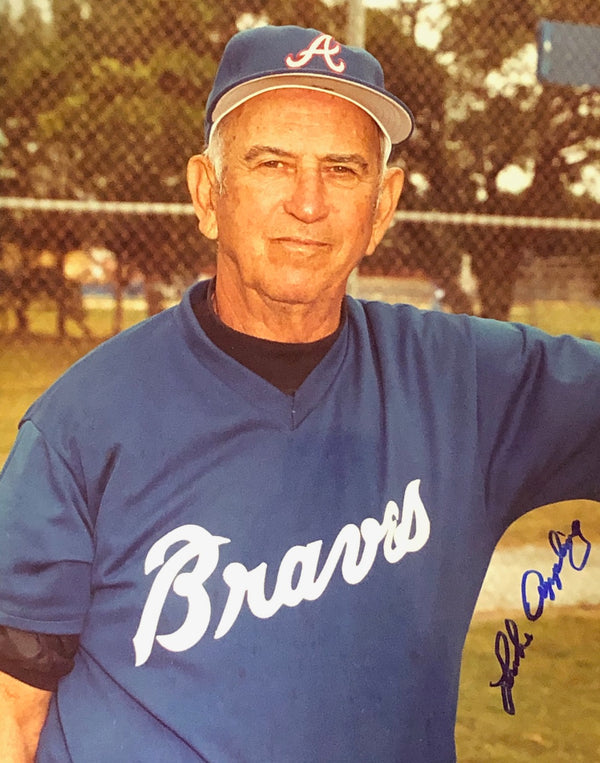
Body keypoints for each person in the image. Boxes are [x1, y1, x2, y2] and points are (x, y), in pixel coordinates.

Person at [0, 23, 598, 763]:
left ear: (382, 206)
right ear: (207, 193)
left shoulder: (469, 385)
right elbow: (11, 711)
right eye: (272, 162)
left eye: (343, 170)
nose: (308, 202)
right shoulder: (82, 424)